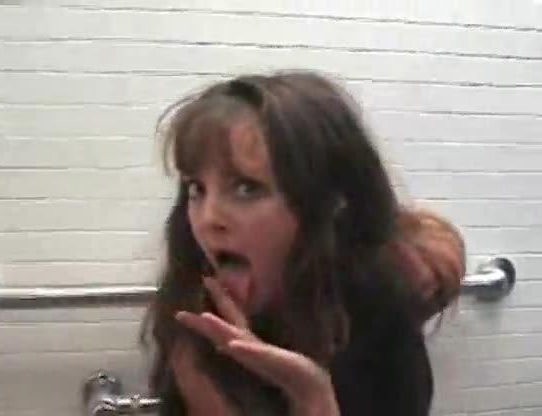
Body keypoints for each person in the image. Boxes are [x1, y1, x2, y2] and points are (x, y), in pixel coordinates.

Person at [141, 70, 466, 415]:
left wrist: (311, 397)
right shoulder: (192, 316)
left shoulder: (377, 321)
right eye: (197, 189)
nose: (208, 219)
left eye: (247, 188)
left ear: (328, 204)